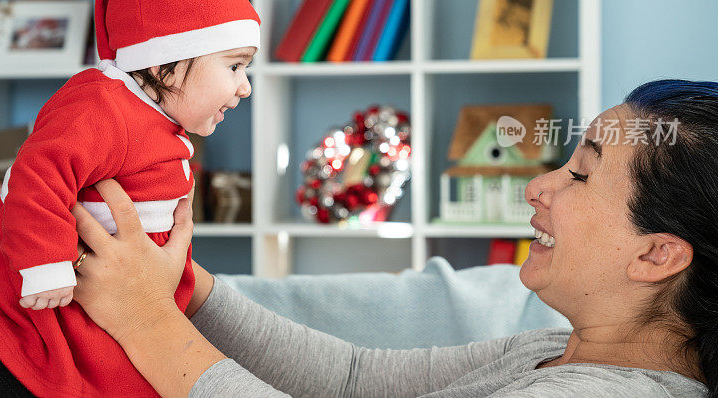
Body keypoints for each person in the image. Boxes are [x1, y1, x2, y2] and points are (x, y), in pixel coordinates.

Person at [70, 79, 717, 397]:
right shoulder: (559, 352)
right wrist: (185, 286)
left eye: (580, 174)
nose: (538, 187)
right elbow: (354, 379)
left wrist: (145, 319)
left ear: (656, 255)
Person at [0, 0, 259, 396]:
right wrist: (46, 268)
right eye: (234, 66)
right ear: (169, 59)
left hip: (129, 304)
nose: (244, 87)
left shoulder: (159, 122)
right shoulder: (103, 107)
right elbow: (33, 176)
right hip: (65, 304)